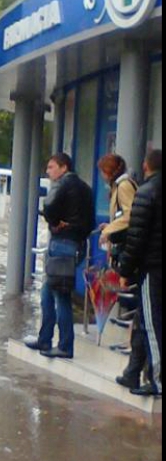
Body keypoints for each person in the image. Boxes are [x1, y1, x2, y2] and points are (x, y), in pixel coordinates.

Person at [24, 152, 95, 359]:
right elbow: (89, 223)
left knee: (61, 296)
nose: (48, 171)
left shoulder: (62, 184)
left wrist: (55, 223)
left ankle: (65, 345)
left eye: (51, 167)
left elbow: (48, 207)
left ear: (64, 168)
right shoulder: (86, 188)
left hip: (62, 244)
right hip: (77, 244)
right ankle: (45, 338)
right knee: (47, 293)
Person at [95, 154, 146, 389]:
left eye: (103, 171)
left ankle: (135, 353)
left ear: (110, 171)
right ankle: (132, 348)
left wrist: (109, 231)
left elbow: (129, 215)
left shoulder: (124, 186)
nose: (102, 176)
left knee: (139, 302)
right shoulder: (122, 185)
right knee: (138, 305)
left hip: (132, 252)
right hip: (129, 248)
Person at [116, 149, 162, 397]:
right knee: (143, 321)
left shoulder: (146, 193)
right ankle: (132, 372)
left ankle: (156, 381)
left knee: (151, 323)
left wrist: (125, 269)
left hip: (152, 269)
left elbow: (136, 237)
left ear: (146, 166)